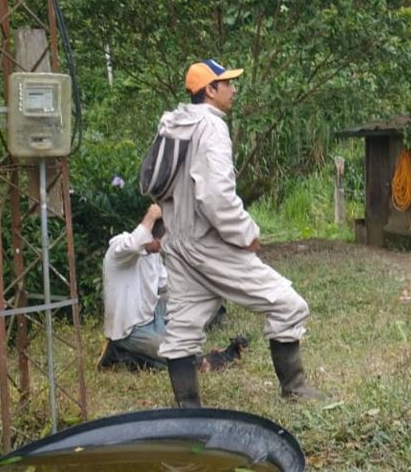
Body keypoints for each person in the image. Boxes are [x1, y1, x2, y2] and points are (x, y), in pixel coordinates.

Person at [156, 58, 322, 407]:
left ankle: (188, 408)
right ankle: (295, 389)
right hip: (209, 242)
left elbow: (158, 187)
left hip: (179, 241)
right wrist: (246, 233)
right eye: (227, 83)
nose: (233, 89)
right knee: (288, 305)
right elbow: (216, 196)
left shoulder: (174, 126)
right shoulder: (211, 128)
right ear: (210, 90)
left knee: (183, 329)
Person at [98, 204, 237, 371]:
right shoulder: (120, 248)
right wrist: (151, 214)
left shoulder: (153, 254)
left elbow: (167, 285)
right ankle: (119, 352)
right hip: (130, 329)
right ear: (153, 238)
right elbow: (134, 243)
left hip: (152, 313)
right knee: (174, 357)